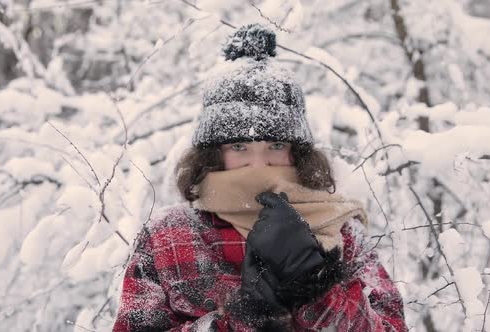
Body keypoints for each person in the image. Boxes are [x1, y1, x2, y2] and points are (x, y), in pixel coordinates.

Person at [113, 24, 407, 331]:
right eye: (239, 147)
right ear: (214, 153)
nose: (258, 164)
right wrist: (236, 322)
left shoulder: (342, 230)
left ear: (297, 153)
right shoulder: (169, 236)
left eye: (275, 145)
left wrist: (316, 287)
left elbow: (391, 327)